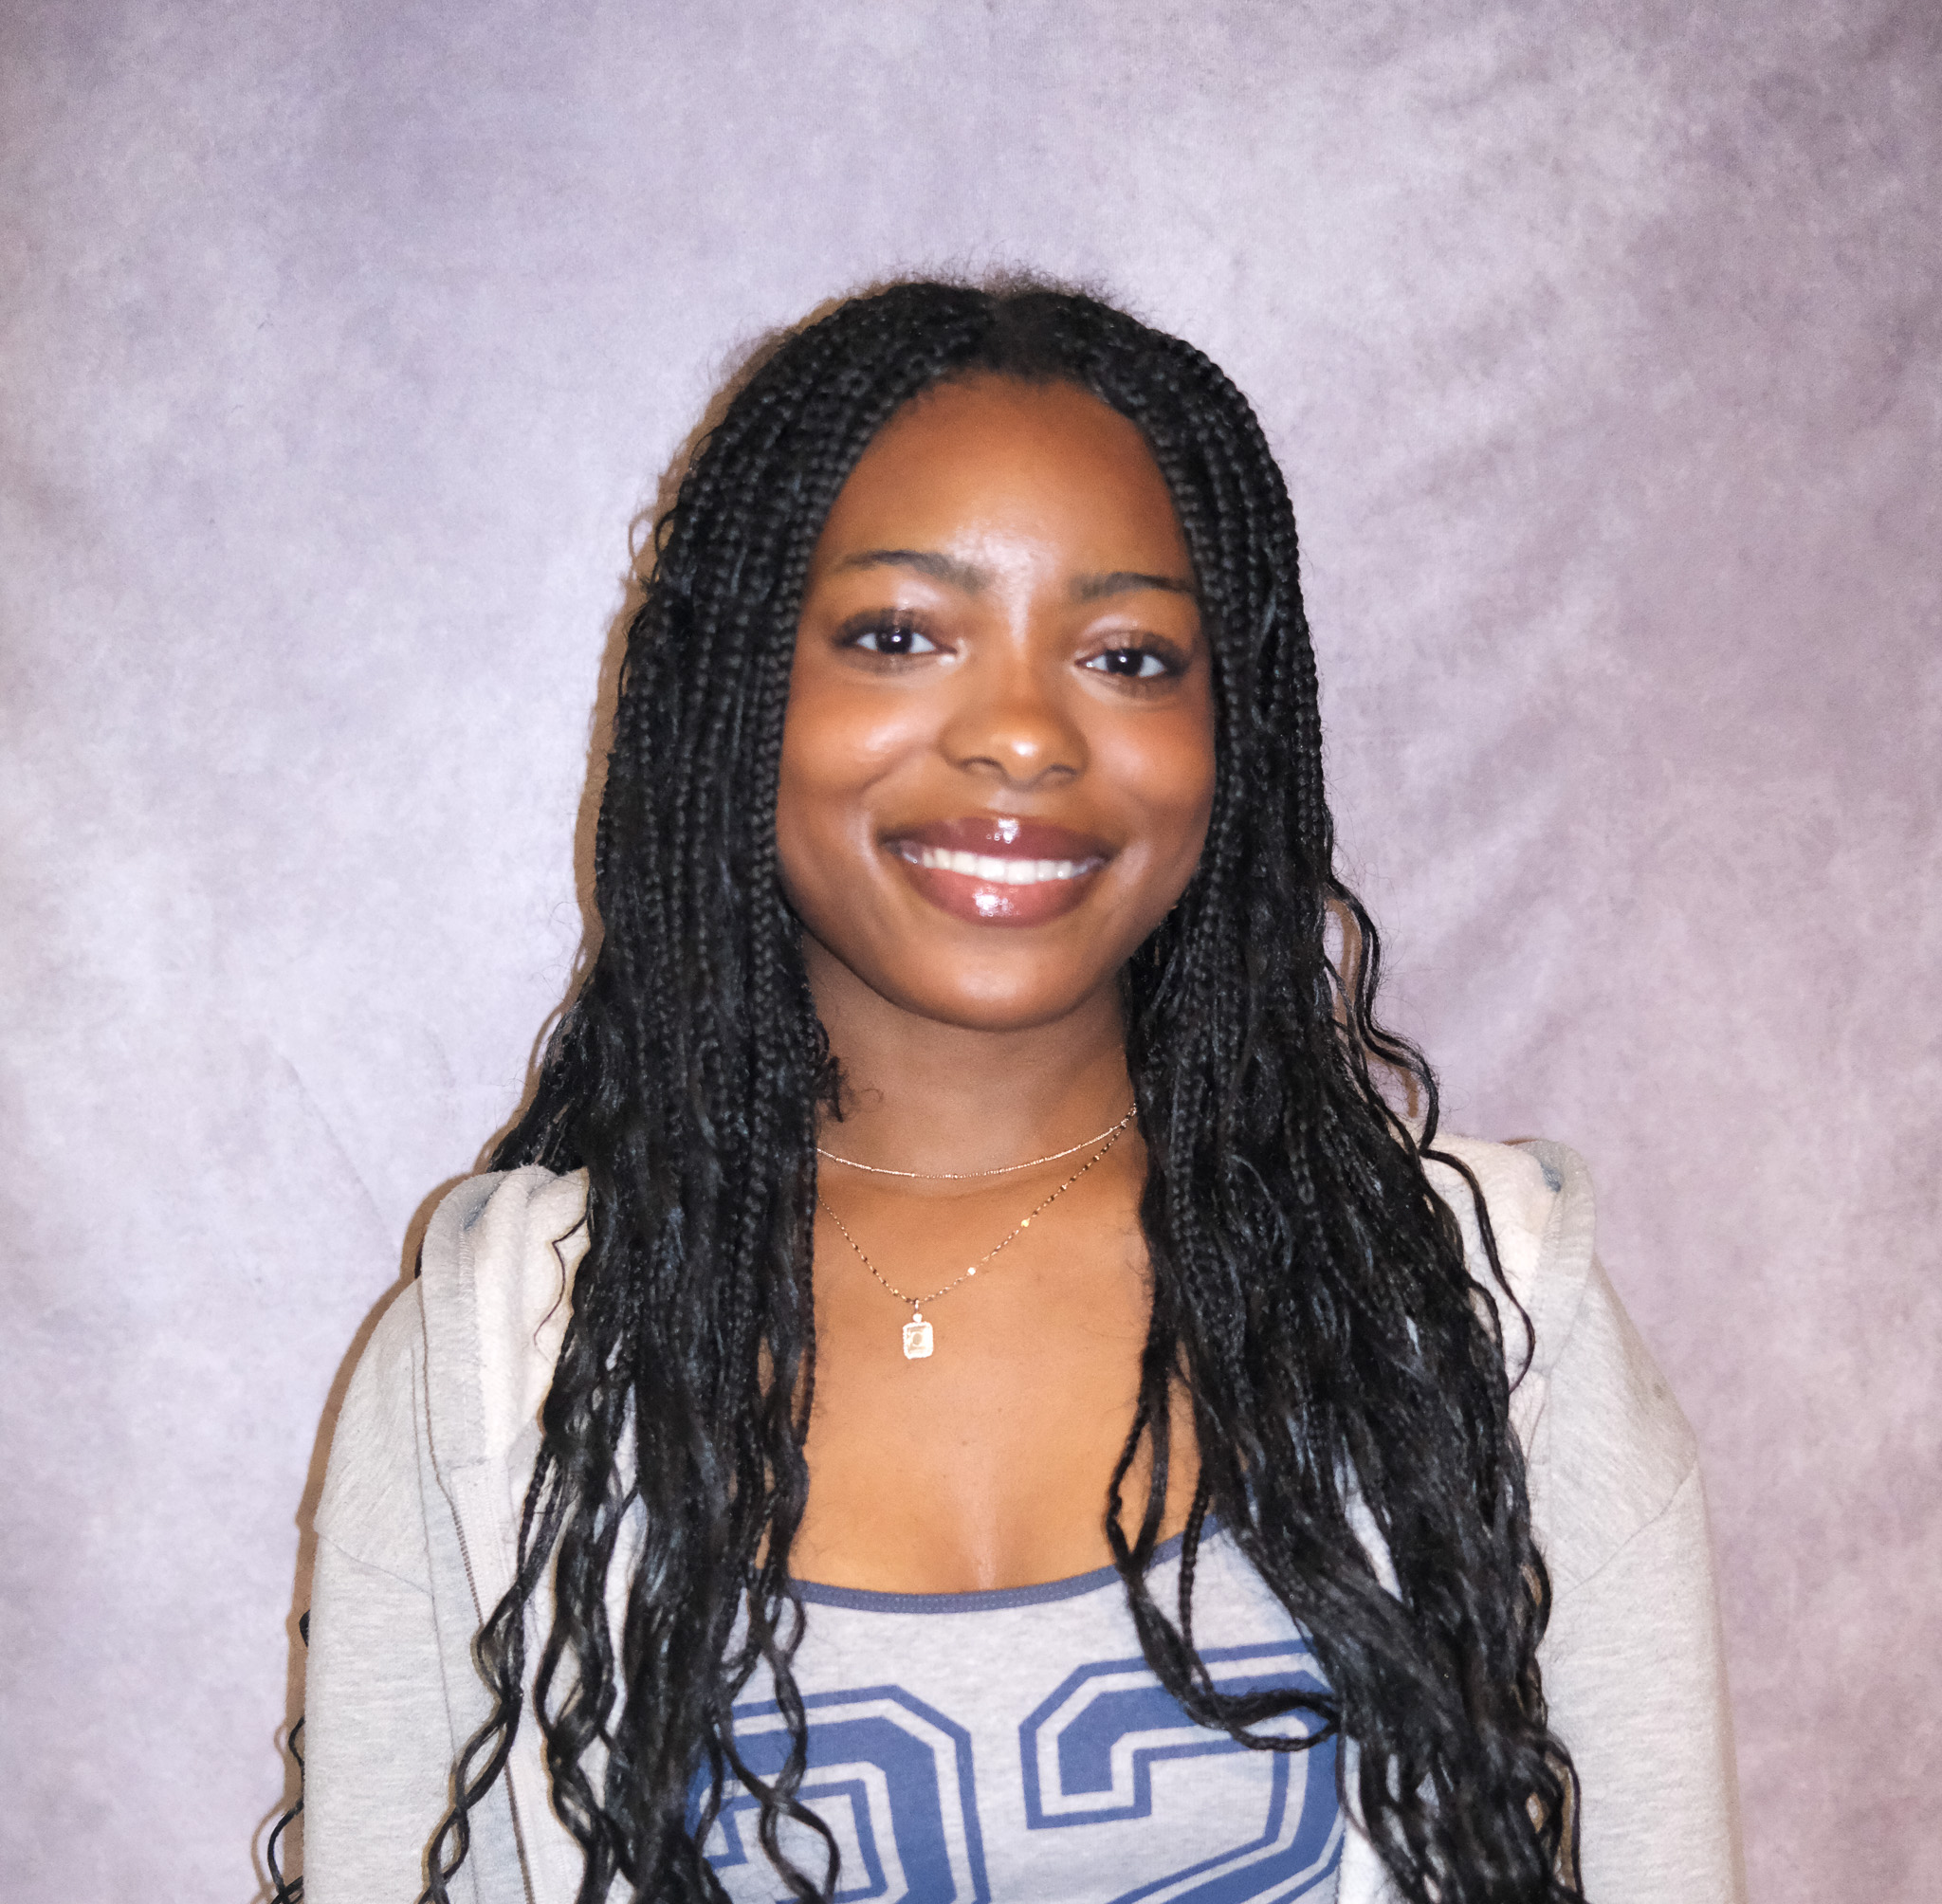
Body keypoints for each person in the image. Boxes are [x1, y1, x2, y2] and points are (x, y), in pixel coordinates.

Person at [299, 282, 1743, 1904]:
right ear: (738, 702)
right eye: (901, 635)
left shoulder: (1479, 1315)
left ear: (1233, 740)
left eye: (1128, 656)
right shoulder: (503, 1365)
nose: (1023, 735)